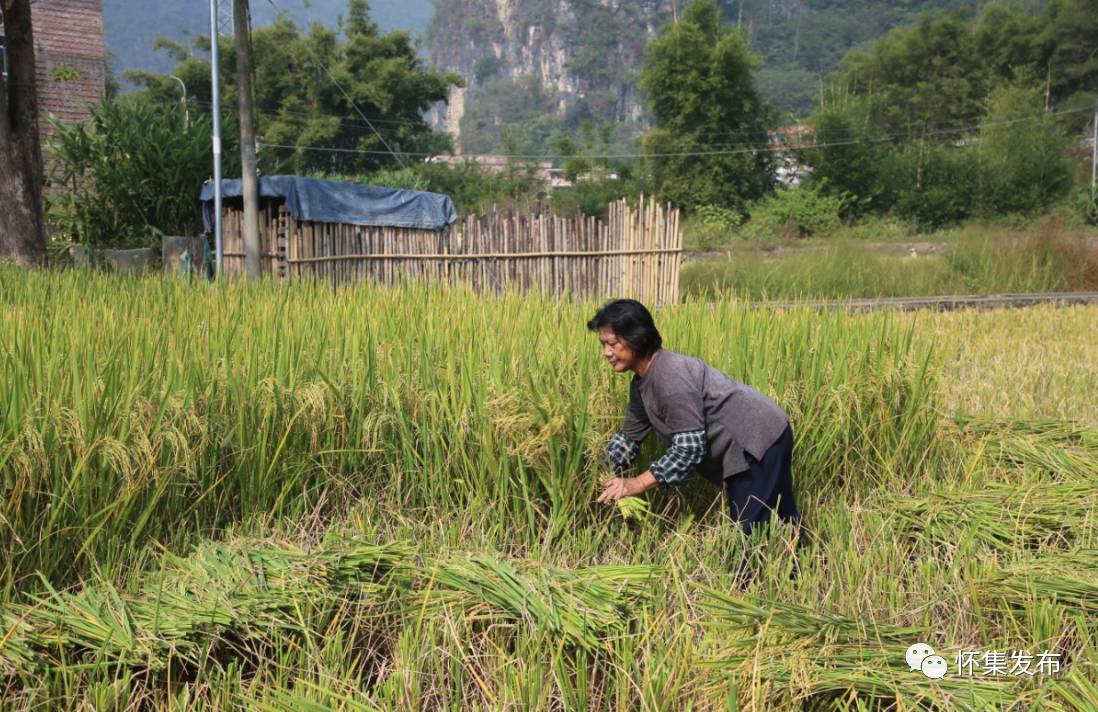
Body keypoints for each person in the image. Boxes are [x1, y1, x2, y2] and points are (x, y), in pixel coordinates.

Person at [590, 299, 799, 536]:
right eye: (603, 344)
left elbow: (688, 450)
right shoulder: (642, 383)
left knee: (747, 532)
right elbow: (628, 439)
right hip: (763, 431)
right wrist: (593, 467)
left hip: (756, 437)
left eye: (612, 343)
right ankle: (798, 567)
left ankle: (756, 573)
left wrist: (635, 483)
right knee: (777, 519)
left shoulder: (669, 377)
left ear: (640, 337)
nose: (606, 353)